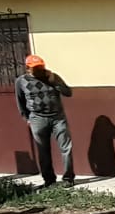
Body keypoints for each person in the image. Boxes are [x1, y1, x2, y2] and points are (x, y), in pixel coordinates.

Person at [15, 54, 75, 187]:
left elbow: (68, 92)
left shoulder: (53, 77)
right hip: (37, 118)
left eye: (41, 67)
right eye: (35, 68)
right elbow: (20, 101)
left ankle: (68, 178)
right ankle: (49, 180)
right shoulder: (21, 81)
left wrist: (54, 81)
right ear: (28, 68)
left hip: (57, 117)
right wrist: (27, 118)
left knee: (66, 147)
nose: (39, 70)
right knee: (43, 150)